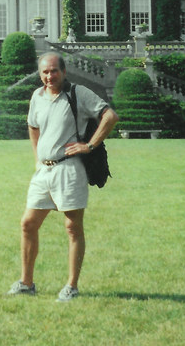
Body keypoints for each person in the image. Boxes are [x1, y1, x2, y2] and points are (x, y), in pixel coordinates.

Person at [6, 51, 119, 302]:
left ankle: (71, 286)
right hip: (43, 171)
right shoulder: (37, 96)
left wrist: (89, 145)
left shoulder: (77, 93)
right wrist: (37, 157)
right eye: (45, 72)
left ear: (64, 71)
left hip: (69, 169)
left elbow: (110, 116)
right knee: (28, 224)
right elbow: (33, 126)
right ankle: (26, 282)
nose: (49, 76)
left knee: (72, 227)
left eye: (54, 71)